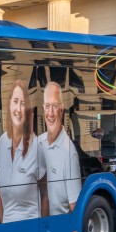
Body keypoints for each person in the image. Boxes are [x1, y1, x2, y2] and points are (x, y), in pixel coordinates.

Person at [0, 80, 46, 222]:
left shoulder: (36, 146)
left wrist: (42, 231)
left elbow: (46, 195)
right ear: (9, 104)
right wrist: (2, 225)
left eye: (23, 104)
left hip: (30, 229)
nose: (18, 108)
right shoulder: (2, 142)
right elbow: (0, 194)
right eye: (15, 101)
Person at [37, 81, 82, 215]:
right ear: (43, 108)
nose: (50, 113)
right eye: (47, 106)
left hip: (57, 229)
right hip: (37, 227)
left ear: (61, 110)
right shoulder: (37, 143)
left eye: (55, 106)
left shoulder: (69, 154)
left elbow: (75, 207)